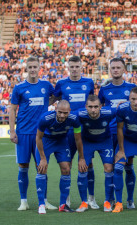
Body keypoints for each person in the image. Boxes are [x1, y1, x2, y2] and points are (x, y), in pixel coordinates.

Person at [9, 56, 56, 211]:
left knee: (41, 167)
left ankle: (44, 200)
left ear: (39, 68)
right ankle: (24, 201)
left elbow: (55, 97)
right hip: (23, 133)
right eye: (30, 67)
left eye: (35, 67)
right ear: (26, 69)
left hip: (41, 134)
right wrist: (12, 131)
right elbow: (13, 109)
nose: (33, 69)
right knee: (23, 166)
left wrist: (45, 104)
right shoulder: (19, 87)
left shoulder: (46, 85)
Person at [54, 56, 96, 208]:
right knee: (67, 164)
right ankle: (66, 198)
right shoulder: (61, 83)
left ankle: (91, 198)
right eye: (71, 66)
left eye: (77, 66)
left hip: (85, 129)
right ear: (68, 67)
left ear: (81, 67)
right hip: (68, 130)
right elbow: (55, 99)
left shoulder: (88, 83)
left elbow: (93, 102)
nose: (74, 69)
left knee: (88, 163)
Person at [35, 100, 86, 214]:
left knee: (66, 169)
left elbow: (78, 139)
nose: (62, 115)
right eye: (60, 112)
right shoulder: (45, 118)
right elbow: (38, 138)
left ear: (69, 111)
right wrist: (43, 158)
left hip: (61, 142)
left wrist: (81, 157)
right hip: (46, 141)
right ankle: (41, 204)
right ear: (55, 110)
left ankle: (63, 204)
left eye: (65, 113)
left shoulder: (74, 119)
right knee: (42, 169)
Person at [98, 57, 136, 209]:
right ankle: (110, 199)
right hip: (109, 133)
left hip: (127, 133)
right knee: (110, 167)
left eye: (118, 67)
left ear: (124, 69)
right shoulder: (104, 89)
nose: (115, 70)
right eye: (112, 68)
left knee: (128, 165)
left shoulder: (132, 88)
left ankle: (130, 200)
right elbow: (98, 110)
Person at [75, 95, 115, 212]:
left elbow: (124, 111)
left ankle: (108, 201)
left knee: (108, 168)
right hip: (87, 142)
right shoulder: (79, 114)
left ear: (101, 107)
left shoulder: (109, 112)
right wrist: (81, 157)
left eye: (96, 107)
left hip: (105, 142)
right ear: (86, 107)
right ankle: (84, 202)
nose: (93, 110)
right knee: (82, 168)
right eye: (90, 107)